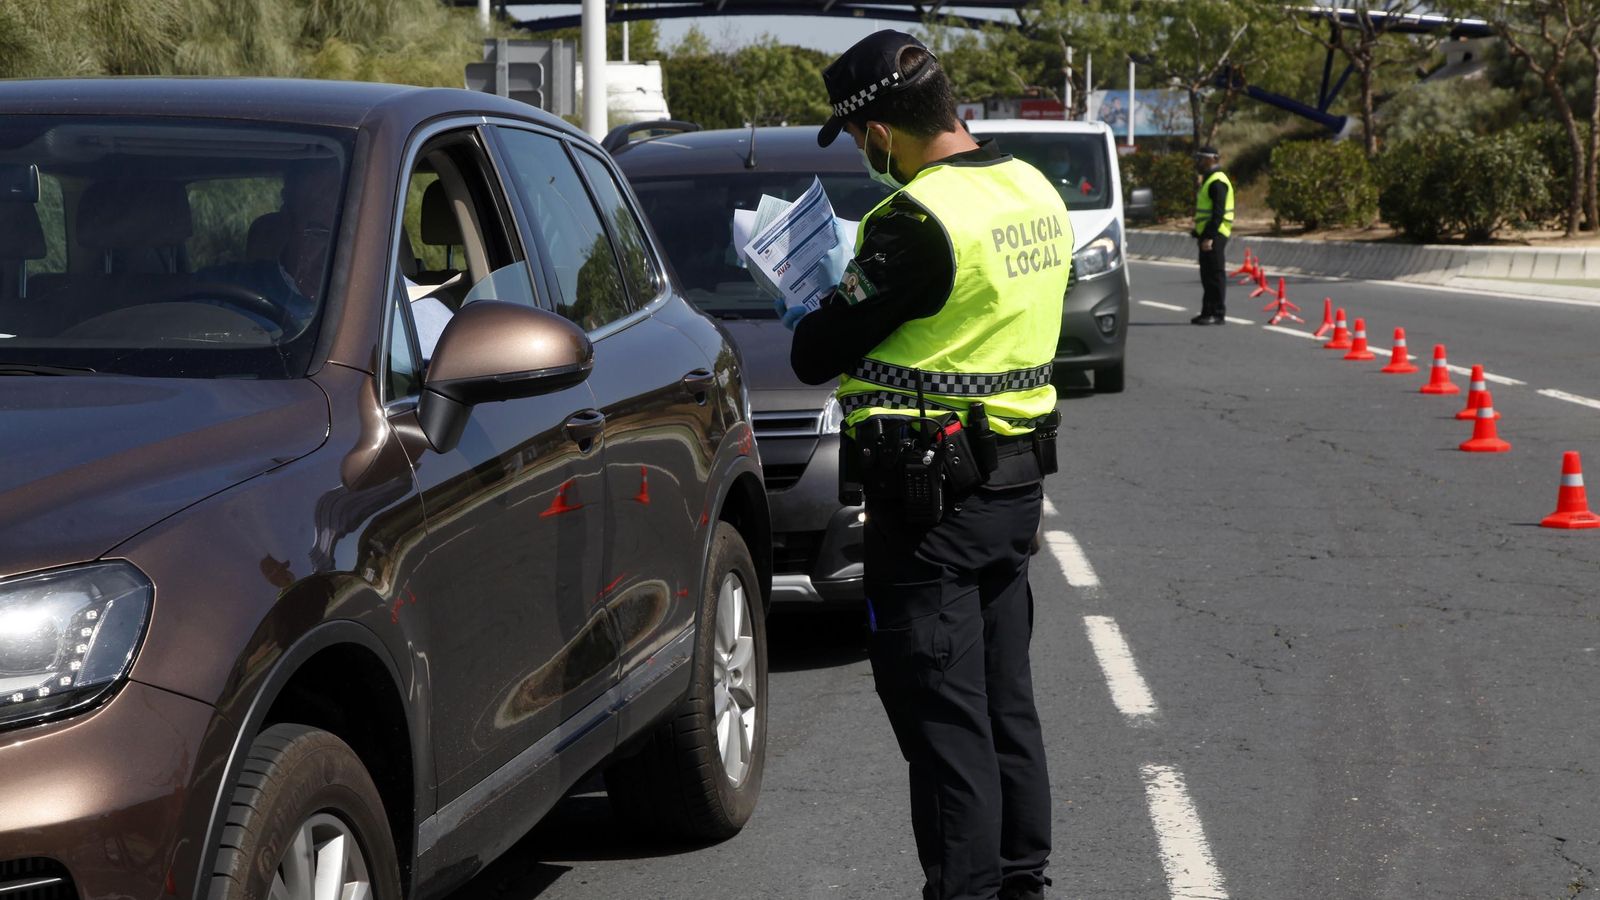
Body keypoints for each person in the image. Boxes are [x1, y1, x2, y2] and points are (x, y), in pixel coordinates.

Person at [788, 30, 1068, 900]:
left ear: (878, 132)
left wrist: (815, 297)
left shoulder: (916, 220)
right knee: (1003, 701)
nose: (863, 153)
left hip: (933, 504)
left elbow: (815, 350)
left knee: (942, 717)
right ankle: (1021, 883)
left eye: (856, 138)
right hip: (1014, 483)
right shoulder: (1033, 188)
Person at [1191, 146, 1234, 325]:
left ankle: (1217, 313)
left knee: (1215, 275)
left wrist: (1209, 236)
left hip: (1216, 234)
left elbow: (1218, 213)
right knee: (1206, 275)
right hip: (1207, 234)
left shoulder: (1218, 181)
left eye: (1201, 158)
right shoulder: (1209, 179)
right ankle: (1207, 311)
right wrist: (1198, 232)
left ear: (1211, 159)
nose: (1199, 162)